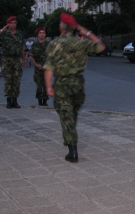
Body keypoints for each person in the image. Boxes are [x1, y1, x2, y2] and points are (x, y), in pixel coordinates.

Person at [44, 13, 105, 163]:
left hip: (62, 85)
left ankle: (73, 151)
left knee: (66, 117)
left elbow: (49, 68)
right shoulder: (81, 43)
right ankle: (72, 142)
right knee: (72, 115)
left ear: (62, 27)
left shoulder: (54, 44)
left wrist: (48, 87)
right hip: (78, 84)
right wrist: (86, 32)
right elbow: (101, 46)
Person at [0, 16, 25, 109]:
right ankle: (8, 100)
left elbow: (23, 47)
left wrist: (23, 59)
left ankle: (15, 100)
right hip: (7, 59)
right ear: (8, 24)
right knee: (8, 80)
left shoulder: (20, 34)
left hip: (17, 59)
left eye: (14, 23)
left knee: (16, 80)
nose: (13, 24)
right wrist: (2, 30)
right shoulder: (4, 34)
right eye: (11, 23)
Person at [29, 27, 49, 106]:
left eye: (43, 33)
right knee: (39, 85)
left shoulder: (49, 45)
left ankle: (45, 101)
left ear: (45, 34)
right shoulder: (34, 45)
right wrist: (36, 64)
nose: (42, 34)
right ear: (37, 35)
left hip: (47, 68)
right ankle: (40, 101)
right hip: (38, 68)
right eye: (40, 33)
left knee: (46, 85)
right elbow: (30, 56)